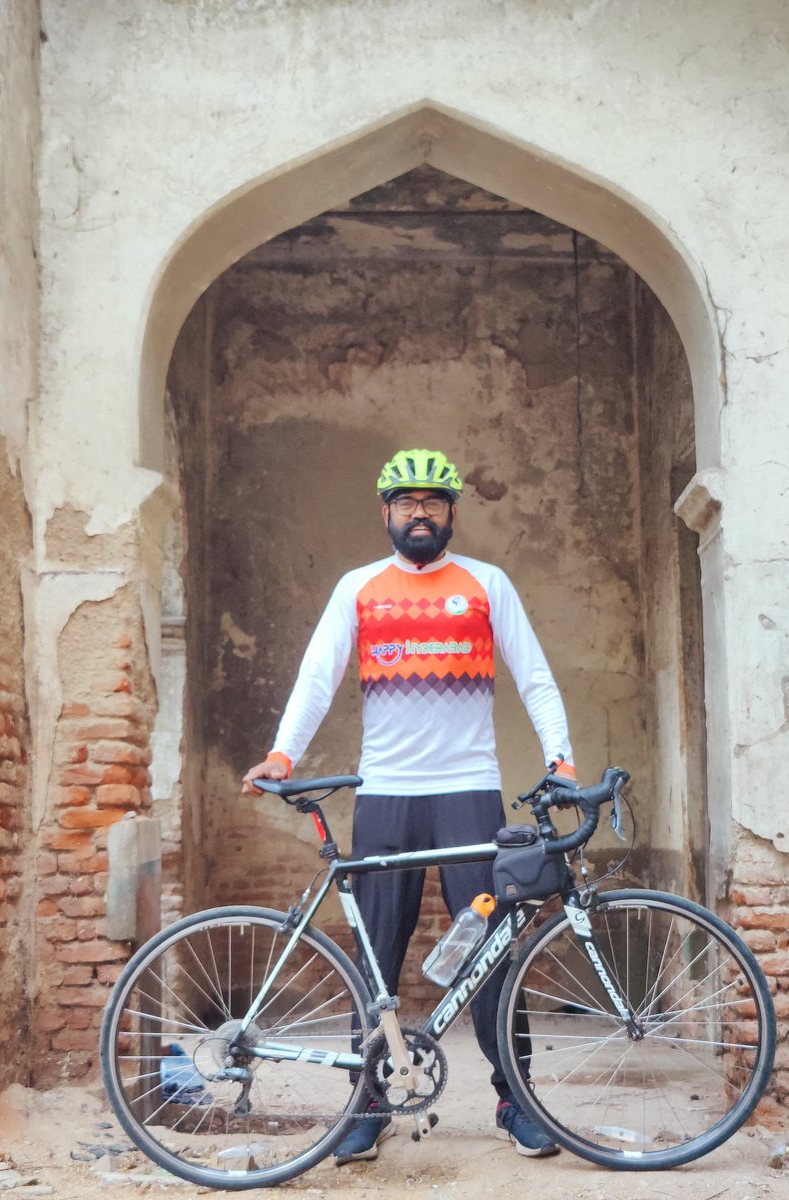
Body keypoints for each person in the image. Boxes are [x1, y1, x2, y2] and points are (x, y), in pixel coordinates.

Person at [243, 448, 577, 1164]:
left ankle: (515, 1100)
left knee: (491, 955)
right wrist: (283, 753)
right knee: (377, 957)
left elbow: (537, 678)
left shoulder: (488, 583)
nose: (418, 512)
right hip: (387, 792)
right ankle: (368, 1103)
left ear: (452, 512)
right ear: (385, 514)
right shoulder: (358, 588)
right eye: (404, 502)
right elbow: (316, 677)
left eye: (431, 501)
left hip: (468, 791)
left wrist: (561, 758)